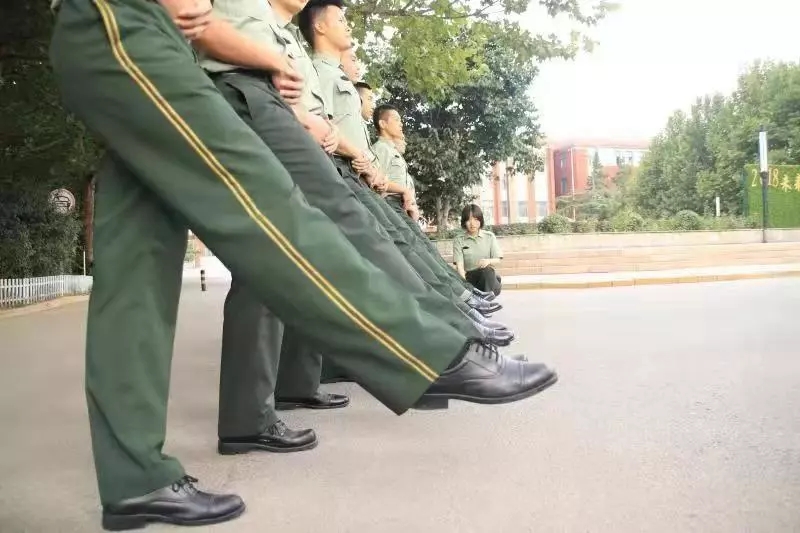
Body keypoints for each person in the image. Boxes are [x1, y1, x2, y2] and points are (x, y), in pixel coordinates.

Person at [49, 0, 556, 528]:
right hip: (124, 21)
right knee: (269, 209)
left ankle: (135, 479)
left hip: (133, 33)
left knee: (137, 272)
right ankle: (427, 352)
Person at [300, 2, 502, 318]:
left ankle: (456, 306)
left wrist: (369, 167)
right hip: (340, 176)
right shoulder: (318, 72)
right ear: (320, 26)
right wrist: (364, 162)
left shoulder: (332, 76)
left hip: (357, 177)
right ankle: (449, 313)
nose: (348, 26)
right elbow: (322, 128)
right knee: (389, 249)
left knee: (401, 244)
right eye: (340, 19)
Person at [454, 204, 504, 296]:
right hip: (471, 281)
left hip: (489, 280)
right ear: (464, 222)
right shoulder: (459, 240)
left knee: (488, 271)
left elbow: (498, 260)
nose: (472, 223)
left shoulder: (489, 236)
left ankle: (486, 297)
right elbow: (460, 267)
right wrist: (465, 286)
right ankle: (485, 298)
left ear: (480, 220)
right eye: (469, 220)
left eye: (476, 219)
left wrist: (488, 261)